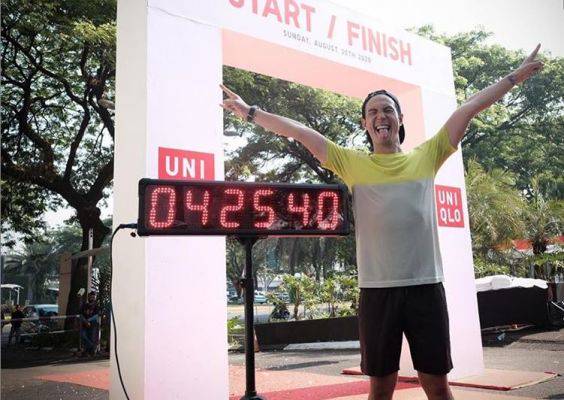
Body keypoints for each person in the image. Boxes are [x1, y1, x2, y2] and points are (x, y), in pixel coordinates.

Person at [221, 45, 543, 400]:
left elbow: (468, 108)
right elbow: (299, 131)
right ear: (365, 124)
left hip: (426, 289)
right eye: (372, 111)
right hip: (376, 293)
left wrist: (515, 77)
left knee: (437, 386)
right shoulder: (351, 163)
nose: (380, 115)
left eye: (388, 109)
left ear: (400, 118)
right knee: (380, 389)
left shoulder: (427, 155)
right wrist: (249, 112)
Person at [79, 291, 99, 356]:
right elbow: (81, 314)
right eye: (90, 297)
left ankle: (88, 352)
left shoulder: (96, 306)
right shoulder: (84, 305)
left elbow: (96, 315)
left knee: (91, 337)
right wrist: (85, 321)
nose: (92, 298)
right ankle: (92, 347)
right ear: (88, 297)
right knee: (83, 336)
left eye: (93, 297)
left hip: (93, 324)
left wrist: (88, 320)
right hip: (85, 324)